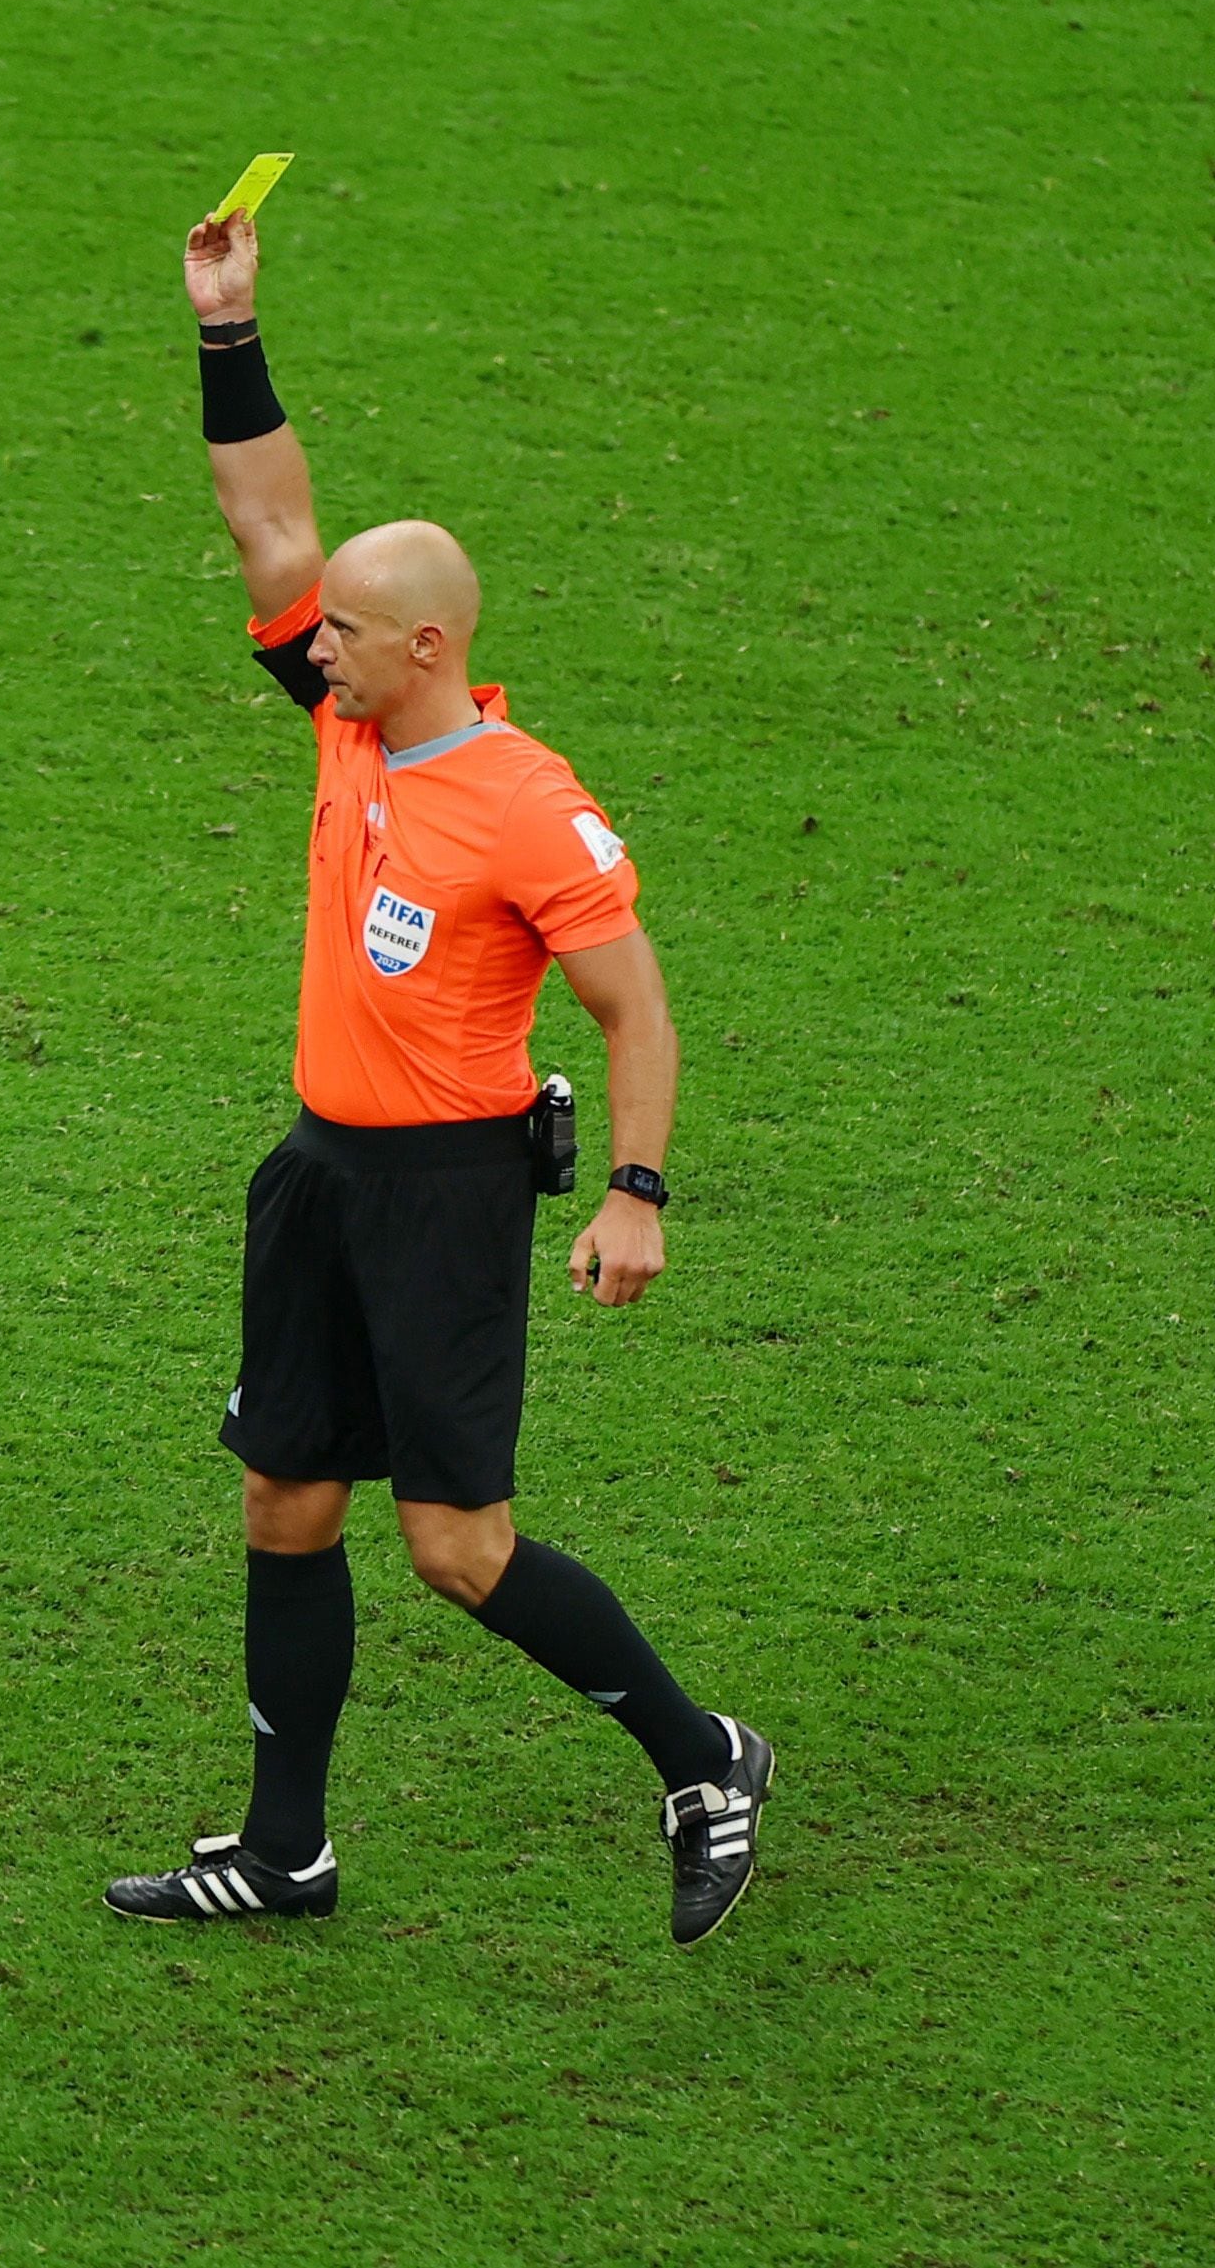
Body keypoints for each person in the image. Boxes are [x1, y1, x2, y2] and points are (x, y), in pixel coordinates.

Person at [102, 211, 772, 1945]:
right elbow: (265, 518)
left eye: (341, 633)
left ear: (422, 649)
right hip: (319, 1171)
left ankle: (706, 1759)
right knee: (286, 1497)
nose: (305, 642)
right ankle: (283, 1848)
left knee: (456, 1549)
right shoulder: (342, 721)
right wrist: (226, 330)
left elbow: (636, 1008)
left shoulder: (526, 803)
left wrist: (637, 1192)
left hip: (448, 1193)